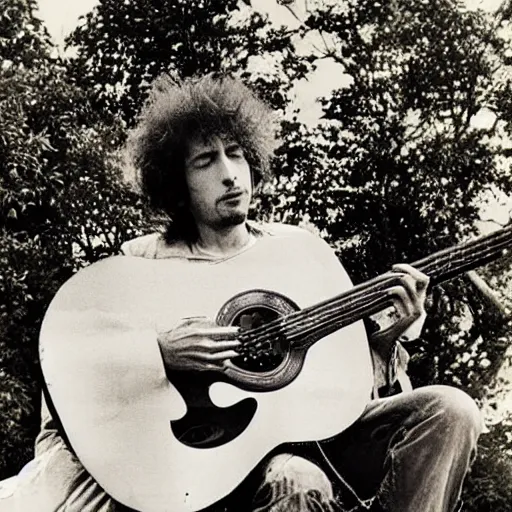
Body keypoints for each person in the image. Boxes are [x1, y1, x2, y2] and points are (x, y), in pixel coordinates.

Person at [0, 74, 482, 512]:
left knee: (450, 410)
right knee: (296, 480)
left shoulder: (301, 251)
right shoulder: (142, 261)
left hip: (313, 432)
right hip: (210, 455)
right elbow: (71, 363)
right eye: (206, 161)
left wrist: (383, 340)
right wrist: (159, 352)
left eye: (236, 153)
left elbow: (342, 387)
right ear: (179, 184)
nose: (230, 174)